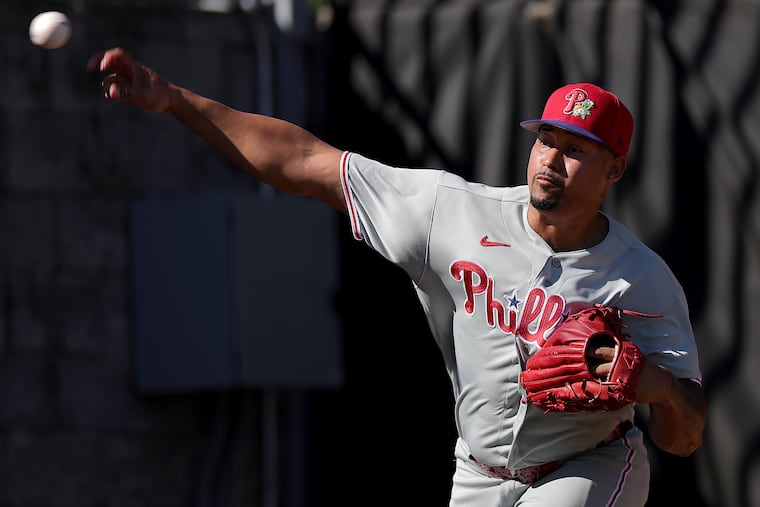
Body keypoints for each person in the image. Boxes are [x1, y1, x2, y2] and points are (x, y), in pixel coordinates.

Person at [88, 47, 708, 507]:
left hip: (590, 464)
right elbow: (305, 161)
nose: (551, 160)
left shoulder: (641, 282)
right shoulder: (452, 211)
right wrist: (175, 102)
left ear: (614, 169)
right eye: (547, 139)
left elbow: (685, 437)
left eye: (576, 151)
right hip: (480, 471)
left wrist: (658, 388)